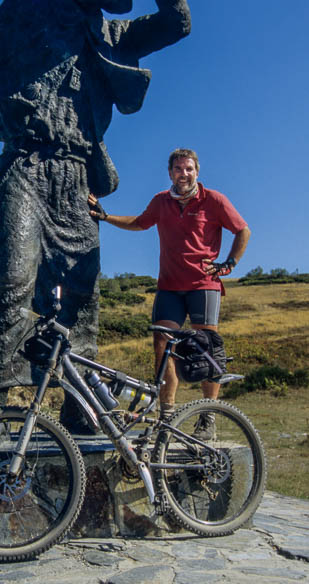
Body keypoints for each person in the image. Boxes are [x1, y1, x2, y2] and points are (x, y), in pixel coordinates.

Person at [0, 0, 191, 427]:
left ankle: (79, 406)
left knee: (83, 291)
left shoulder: (115, 37)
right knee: (13, 275)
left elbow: (177, 23)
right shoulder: (25, 8)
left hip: (78, 177)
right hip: (25, 164)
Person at [89, 148, 250, 439]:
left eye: (188, 169)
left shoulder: (213, 200)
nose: (183, 174)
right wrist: (106, 216)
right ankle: (167, 418)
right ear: (170, 173)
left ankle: (207, 419)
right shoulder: (161, 201)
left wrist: (229, 263)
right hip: (169, 287)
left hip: (203, 285)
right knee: (163, 348)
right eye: (178, 169)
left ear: (197, 172)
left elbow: (243, 230)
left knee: (207, 351)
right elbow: (139, 222)